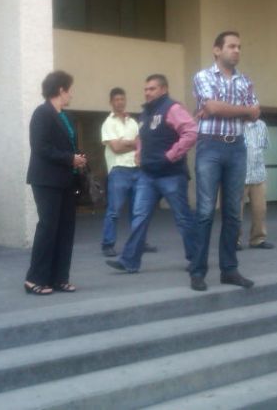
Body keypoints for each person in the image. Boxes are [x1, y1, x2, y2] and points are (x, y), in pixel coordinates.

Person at [105, 74, 197, 276]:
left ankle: (196, 259)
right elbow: (142, 139)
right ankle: (129, 261)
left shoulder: (172, 108)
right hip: (147, 175)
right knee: (139, 217)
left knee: (183, 218)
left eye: (152, 88)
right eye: (146, 89)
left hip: (171, 174)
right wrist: (139, 153)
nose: (147, 92)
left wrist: (171, 155)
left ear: (163, 89)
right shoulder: (145, 113)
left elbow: (191, 132)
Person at [189, 31, 260, 291]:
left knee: (233, 212)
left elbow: (256, 113)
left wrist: (226, 108)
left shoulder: (245, 80)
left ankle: (229, 270)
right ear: (217, 50)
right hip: (210, 145)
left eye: (239, 47)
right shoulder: (203, 76)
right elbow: (212, 107)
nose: (237, 50)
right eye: (231, 46)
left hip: (237, 147)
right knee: (205, 211)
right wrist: (242, 110)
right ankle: (197, 271)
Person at [25, 71, 85, 295]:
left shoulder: (66, 116)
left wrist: (78, 157)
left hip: (66, 179)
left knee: (66, 229)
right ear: (61, 90)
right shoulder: (42, 113)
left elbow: (69, 145)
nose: (71, 94)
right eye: (69, 89)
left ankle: (60, 278)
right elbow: (40, 147)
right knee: (48, 228)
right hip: (46, 180)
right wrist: (70, 158)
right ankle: (35, 279)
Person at [100, 87, 157, 258]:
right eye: (116, 100)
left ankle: (139, 242)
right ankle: (108, 244)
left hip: (137, 169)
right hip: (119, 170)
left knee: (138, 210)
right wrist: (134, 143)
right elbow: (116, 148)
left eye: (122, 99)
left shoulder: (132, 122)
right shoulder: (108, 123)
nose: (120, 102)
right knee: (114, 210)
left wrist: (126, 143)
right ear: (111, 102)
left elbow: (142, 143)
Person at [239, 118, 275, 250]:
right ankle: (234, 240)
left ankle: (258, 239)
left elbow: (264, 145)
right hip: (238, 175)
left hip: (258, 174)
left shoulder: (261, 125)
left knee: (260, 209)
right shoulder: (234, 123)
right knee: (235, 211)